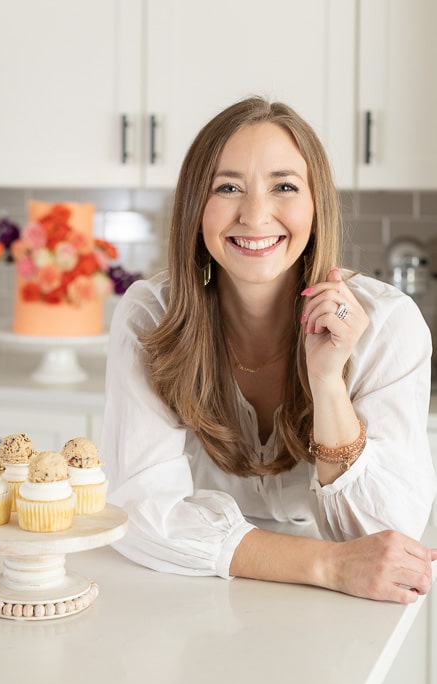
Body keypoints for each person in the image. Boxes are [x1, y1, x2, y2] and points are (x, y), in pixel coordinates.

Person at [100, 95, 437, 604]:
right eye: (228, 187)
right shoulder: (152, 317)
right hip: (189, 591)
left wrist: (327, 385)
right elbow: (139, 514)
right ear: (195, 208)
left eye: (284, 186)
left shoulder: (389, 323)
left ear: (316, 205)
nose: (255, 215)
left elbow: (383, 538)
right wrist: (324, 564)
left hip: (338, 610)